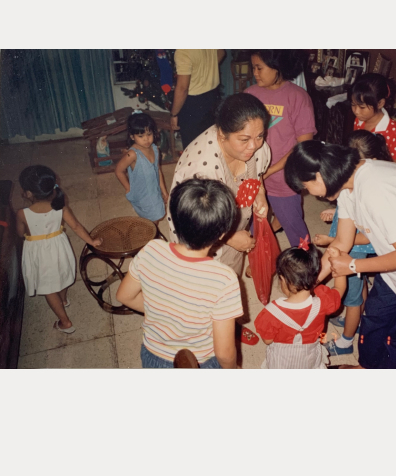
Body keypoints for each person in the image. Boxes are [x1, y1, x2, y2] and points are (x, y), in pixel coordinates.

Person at [284, 140, 396, 369]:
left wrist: (353, 267)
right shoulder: (349, 184)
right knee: (374, 321)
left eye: (305, 187)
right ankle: (366, 368)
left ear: (319, 176)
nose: (308, 193)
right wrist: (308, 285)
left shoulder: (376, 189)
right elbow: (342, 242)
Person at [167, 93, 271, 345]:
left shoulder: (255, 147)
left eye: (260, 136)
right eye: (245, 139)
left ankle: (229, 326)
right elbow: (194, 224)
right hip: (199, 235)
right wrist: (231, 238)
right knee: (202, 289)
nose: (254, 146)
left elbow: (257, 177)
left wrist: (261, 194)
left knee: (228, 280)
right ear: (221, 134)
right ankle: (206, 333)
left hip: (232, 228)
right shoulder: (200, 168)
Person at [116, 178, 242, 368]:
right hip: (200, 362)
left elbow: (123, 295)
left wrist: (162, 310)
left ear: (173, 220)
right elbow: (224, 353)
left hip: (153, 357)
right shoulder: (224, 279)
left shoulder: (151, 249)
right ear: (222, 234)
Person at [313, 130, 392, 357]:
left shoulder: (373, 194)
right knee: (359, 291)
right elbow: (348, 206)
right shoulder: (351, 187)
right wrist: (335, 210)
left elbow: (367, 237)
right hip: (350, 247)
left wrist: (330, 240)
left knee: (352, 298)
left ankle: (346, 342)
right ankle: (355, 318)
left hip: (353, 254)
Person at [16, 165, 102, 334]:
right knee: (61, 273)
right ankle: (63, 299)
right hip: (59, 247)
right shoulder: (60, 206)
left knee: (48, 288)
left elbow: (20, 233)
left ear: (28, 194)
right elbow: (76, 227)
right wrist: (92, 241)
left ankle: (65, 322)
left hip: (38, 253)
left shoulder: (22, 213)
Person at [245, 50, 317, 247]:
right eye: (254, 68)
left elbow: (303, 146)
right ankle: (259, 257)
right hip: (253, 173)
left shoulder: (298, 97)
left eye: (259, 68)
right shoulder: (250, 94)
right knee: (254, 222)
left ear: (277, 67)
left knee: (293, 225)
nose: (255, 73)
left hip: (283, 177)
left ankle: (304, 264)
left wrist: (270, 171)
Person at [254, 241, 346, 369]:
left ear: (283, 279)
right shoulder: (323, 301)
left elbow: (268, 340)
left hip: (281, 361)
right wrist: (337, 260)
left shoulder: (271, 312)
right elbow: (340, 288)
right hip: (309, 357)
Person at [115, 111, 169, 223]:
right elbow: (119, 170)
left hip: (154, 190)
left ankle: (152, 232)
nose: (146, 139)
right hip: (142, 194)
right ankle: (150, 234)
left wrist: (164, 192)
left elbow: (158, 170)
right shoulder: (132, 154)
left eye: (149, 134)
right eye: (141, 136)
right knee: (153, 217)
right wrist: (128, 188)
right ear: (132, 136)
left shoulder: (155, 149)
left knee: (156, 215)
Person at [170, 49, 225, 149]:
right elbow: (221, 52)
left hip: (194, 104)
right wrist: (208, 67)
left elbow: (182, 88)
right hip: (214, 97)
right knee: (211, 145)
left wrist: (174, 114)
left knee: (193, 150)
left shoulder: (183, 51)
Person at [351, 73, 396, 166]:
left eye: (362, 107)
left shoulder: (393, 130)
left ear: (380, 103)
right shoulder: (358, 120)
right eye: (353, 105)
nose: (356, 111)